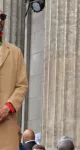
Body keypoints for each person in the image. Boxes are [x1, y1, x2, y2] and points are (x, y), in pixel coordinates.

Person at [0, 10, 28, 149]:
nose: (0, 20)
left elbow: (22, 85)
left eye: (2, 17)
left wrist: (8, 107)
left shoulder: (15, 52)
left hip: (7, 123)